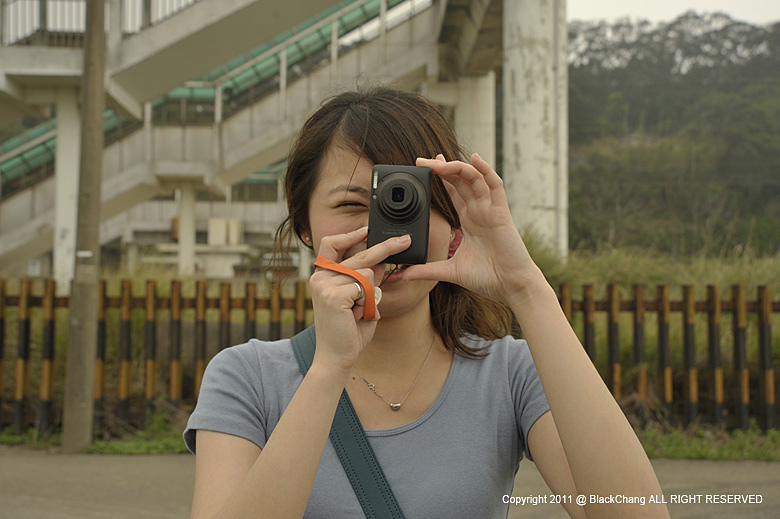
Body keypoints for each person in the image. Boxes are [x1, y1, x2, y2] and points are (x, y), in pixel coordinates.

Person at [184, 86, 670, 519]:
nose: (386, 232)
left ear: (456, 224)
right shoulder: (246, 378)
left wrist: (525, 288)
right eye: (354, 204)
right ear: (305, 226)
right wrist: (330, 367)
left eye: (407, 202)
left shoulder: (509, 375)